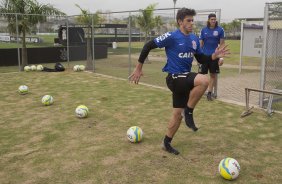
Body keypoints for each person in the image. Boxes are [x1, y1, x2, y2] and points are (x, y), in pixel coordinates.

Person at [128, 8, 230, 155]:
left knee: (177, 115)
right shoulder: (171, 36)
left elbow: (201, 59)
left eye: (192, 20)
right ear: (180, 22)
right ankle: (189, 111)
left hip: (185, 79)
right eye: (188, 20)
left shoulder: (194, 39)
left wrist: (214, 56)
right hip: (174, 78)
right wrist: (138, 68)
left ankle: (166, 142)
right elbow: (148, 46)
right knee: (203, 80)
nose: (191, 23)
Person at [199, 13, 225, 101]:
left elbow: (222, 44)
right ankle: (199, 92)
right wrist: (199, 57)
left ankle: (209, 94)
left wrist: (221, 58)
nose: (213, 21)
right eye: (212, 19)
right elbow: (201, 44)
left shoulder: (220, 30)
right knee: (201, 75)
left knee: (213, 75)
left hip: (214, 57)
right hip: (204, 56)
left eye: (214, 19)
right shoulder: (203, 30)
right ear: (208, 20)